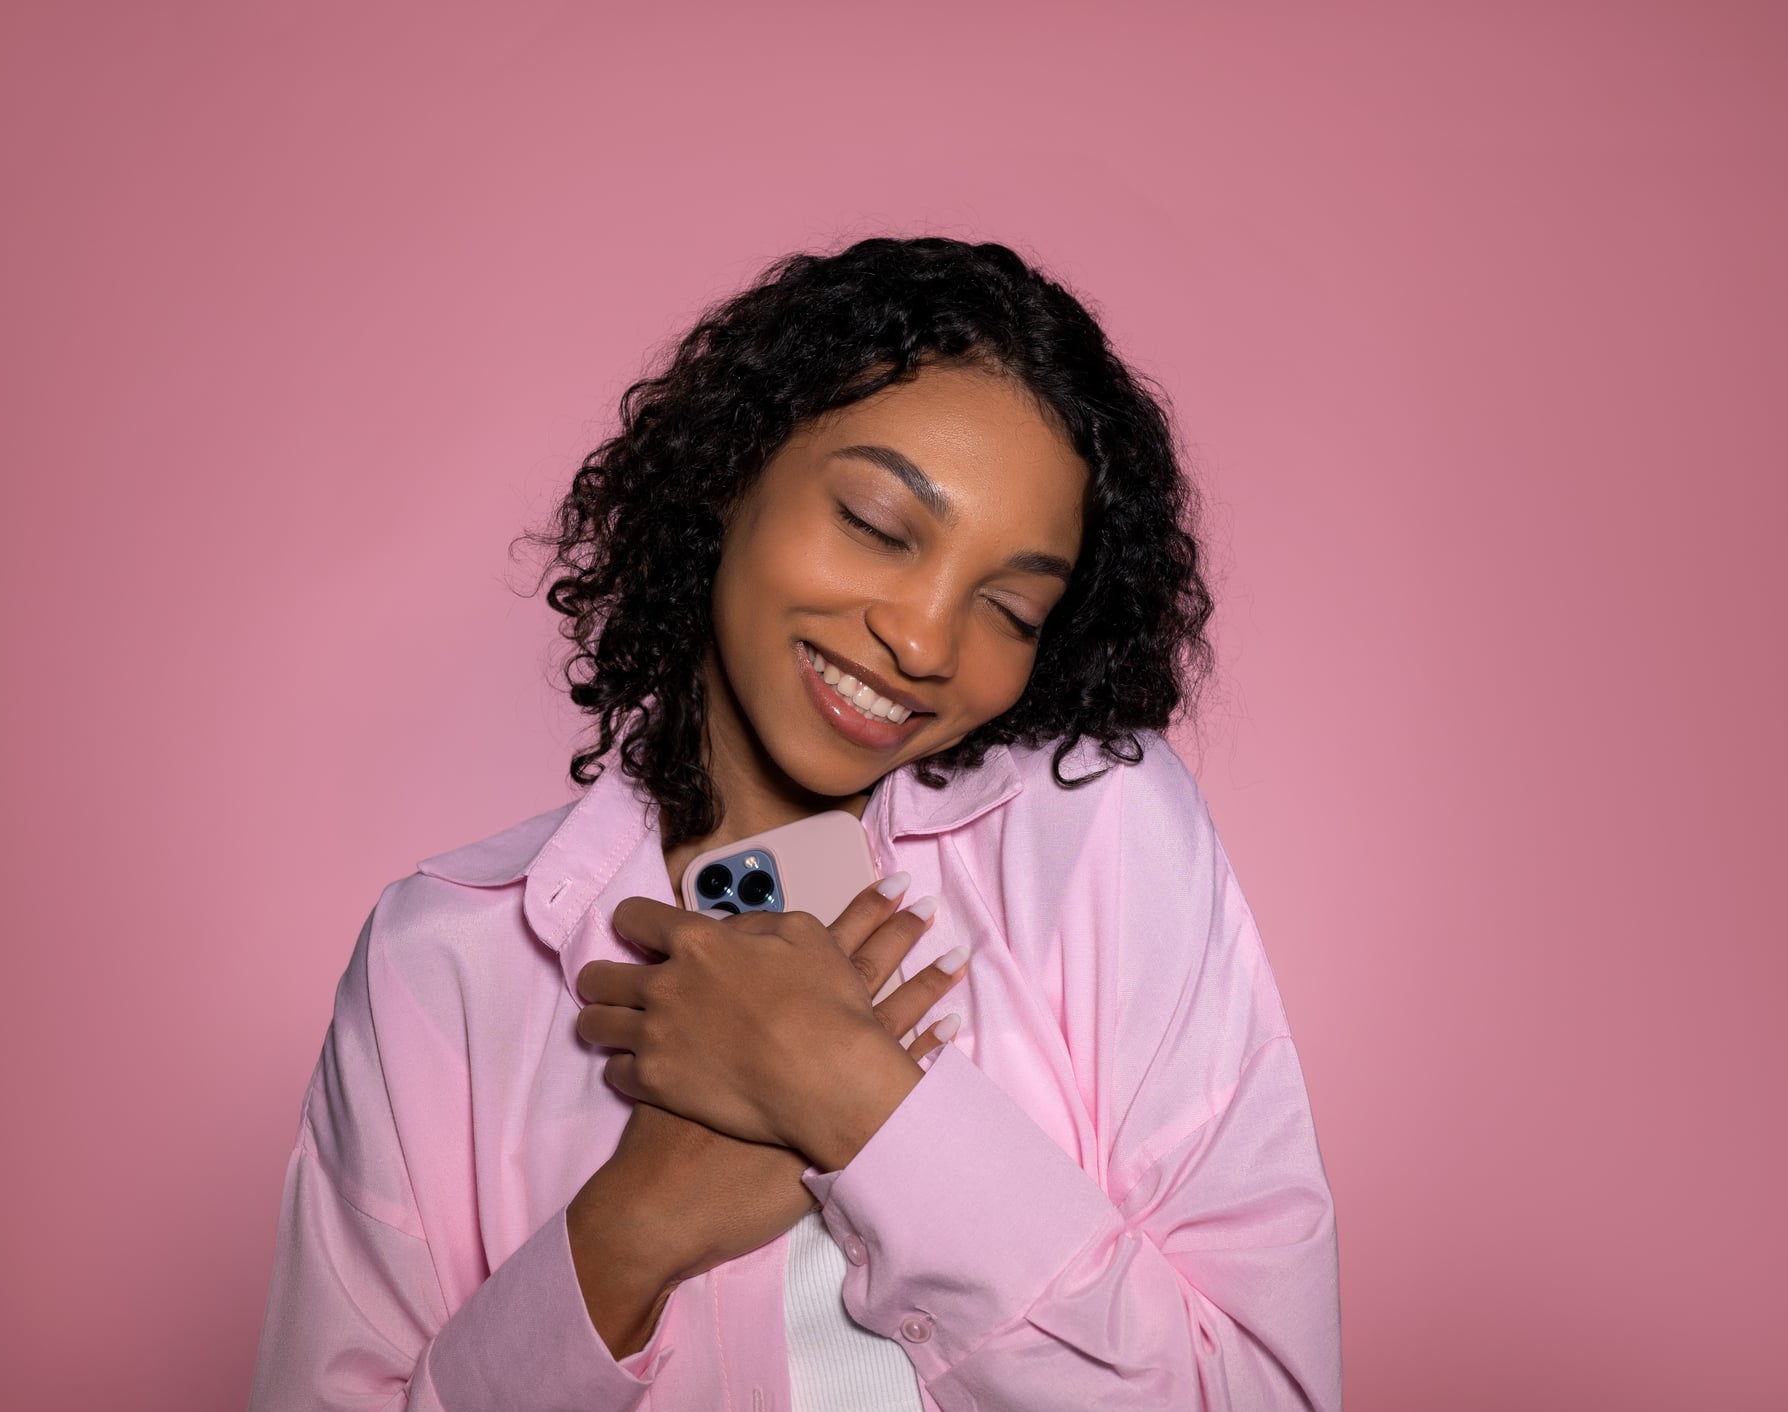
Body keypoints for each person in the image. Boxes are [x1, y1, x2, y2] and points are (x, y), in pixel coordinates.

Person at [247, 236, 1341, 1411]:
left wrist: (853, 1101)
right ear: (729, 474)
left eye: (1010, 605)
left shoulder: (1096, 835)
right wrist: (631, 1228)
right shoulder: (441, 961)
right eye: (876, 522)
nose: (924, 642)